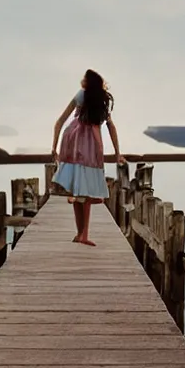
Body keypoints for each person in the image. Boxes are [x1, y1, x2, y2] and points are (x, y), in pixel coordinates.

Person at [50, 69, 125, 245]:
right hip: (91, 147)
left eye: (83, 78)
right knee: (84, 190)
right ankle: (82, 233)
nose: (81, 80)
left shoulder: (82, 95)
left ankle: (81, 233)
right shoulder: (102, 99)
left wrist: (54, 147)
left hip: (74, 144)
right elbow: (111, 127)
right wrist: (117, 152)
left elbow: (60, 121)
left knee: (80, 191)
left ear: (88, 82)